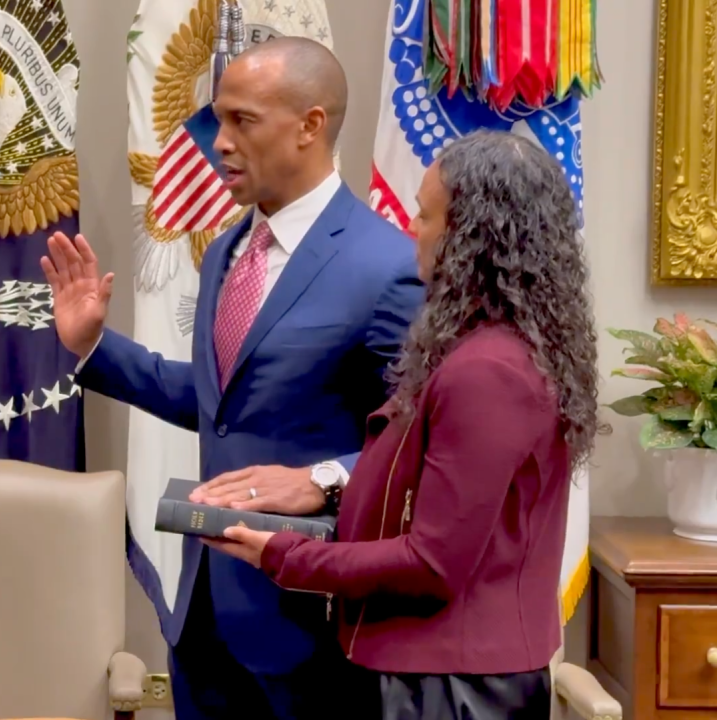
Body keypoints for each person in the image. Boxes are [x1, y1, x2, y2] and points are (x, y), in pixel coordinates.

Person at [41, 37, 423, 719]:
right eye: (218, 119)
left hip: (315, 627)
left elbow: (422, 444)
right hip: (206, 618)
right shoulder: (226, 252)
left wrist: (323, 478)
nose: (217, 143)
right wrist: (94, 345)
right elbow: (223, 403)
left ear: (310, 125)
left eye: (242, 121)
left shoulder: (388, 266)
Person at [208, 130, 600, 718]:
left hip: (450, 690)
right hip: (435, 676)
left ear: (471, 237)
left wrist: (280, 554)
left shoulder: (488, 370)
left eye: (424, 215)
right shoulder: (487, 347)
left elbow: (431, 564)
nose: (412, 229)